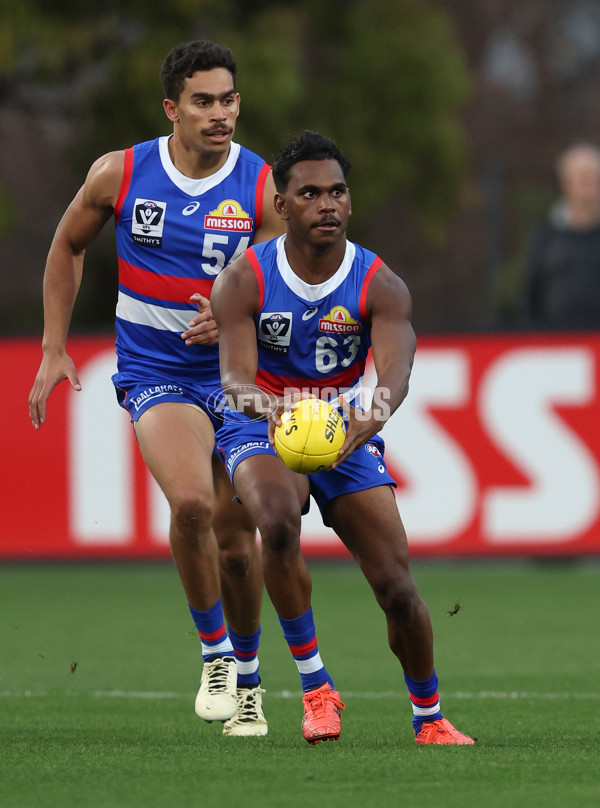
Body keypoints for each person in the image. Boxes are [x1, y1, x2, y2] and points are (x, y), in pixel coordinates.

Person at [27, 40, 285, 736]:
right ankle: (214, 655)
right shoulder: (121, 173)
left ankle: (252, 680)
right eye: (203, 101)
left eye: (228, 99)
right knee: (194, 505)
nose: (220, 113)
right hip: (157, 373)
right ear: (172, 107)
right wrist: (54, 346)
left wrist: (236, 314)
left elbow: (287, 289)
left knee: (239, 544)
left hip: (236, 381)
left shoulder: (263, 187)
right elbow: (67, 246)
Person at [211, 130, 475, 746]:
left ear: (349, 202)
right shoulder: (244, 280)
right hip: (262, 421)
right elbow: (233, 380)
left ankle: (429, 718)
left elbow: (398, 365)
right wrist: (276, 412)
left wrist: (373, 416)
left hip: (347, 429)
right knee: (275, 523)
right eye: (310, 193)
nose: (326, 204)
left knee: (398, 589)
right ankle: (316, 687)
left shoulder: (379, 283)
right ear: (282, 205)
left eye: (337, 192)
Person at [523, 142, 600, 330]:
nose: (589, 188)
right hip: (557, 347)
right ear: (565, 184)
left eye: (594, 179)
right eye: (583, 179)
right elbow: (531, 295)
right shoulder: (546, 238)